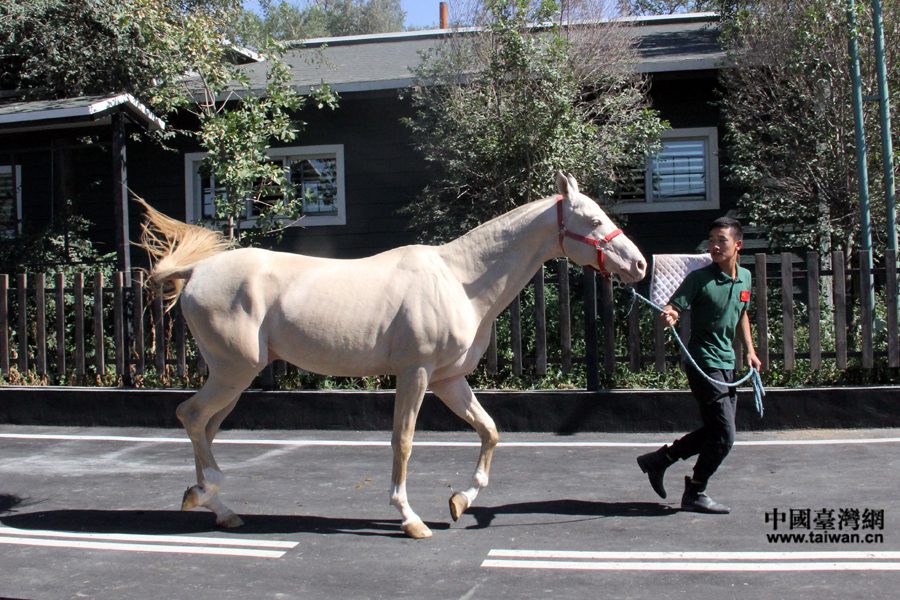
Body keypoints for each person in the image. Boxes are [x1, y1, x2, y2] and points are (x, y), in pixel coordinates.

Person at [637, 216, 761, 514]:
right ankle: (695, 490)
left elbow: (742, 313)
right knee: (725, 435)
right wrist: (670, 314)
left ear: (737, 245)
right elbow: (674, 306)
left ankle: (660, 460)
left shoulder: (744, 277)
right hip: (703, 363)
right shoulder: (699, 278)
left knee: (716, 430)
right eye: (712, 241)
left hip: (727, 363)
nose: (715, 246)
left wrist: (751, 352)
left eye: (722, 241)